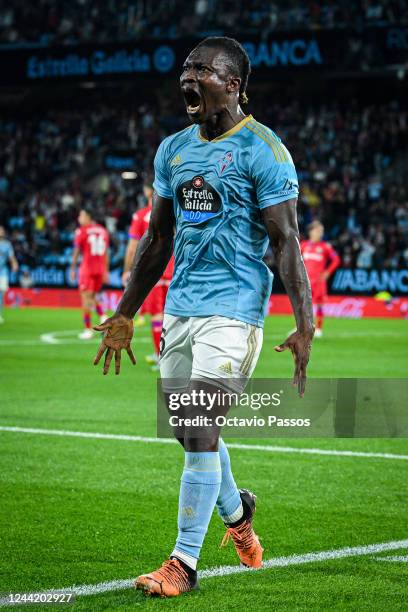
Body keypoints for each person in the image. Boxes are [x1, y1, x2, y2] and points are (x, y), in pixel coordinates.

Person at [93, 37, 314, 598]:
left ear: (234, 84)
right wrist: (124, 312)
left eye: (202, 71)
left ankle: (182, 564)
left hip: (235, 311)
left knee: (197, 427)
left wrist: (305, 321)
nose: (188, 79)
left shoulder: (265, 150)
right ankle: (238, 512)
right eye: (185, 70)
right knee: (189, 431)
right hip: (181, 309)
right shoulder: (172, 150)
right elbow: (158, 236)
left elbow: (286, 241)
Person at [122, 182, 174, 369]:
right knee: (175, 316)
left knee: (156, 316)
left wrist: (128, 270)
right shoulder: (176, 211)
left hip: (152, 270)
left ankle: (161, 357)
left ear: (148, 191)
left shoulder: (141, 215)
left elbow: (132, 247)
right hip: (174, 270)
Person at [70, 208, 109, 340]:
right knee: (92, 296)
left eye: (81, 216)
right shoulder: (103, 231)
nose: (79, 219)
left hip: (87, 268)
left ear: (88, 217)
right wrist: (106, 270)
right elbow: (106, 253)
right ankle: (104, 317)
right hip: (99, 269)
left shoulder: (82, 231)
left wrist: (73, 268)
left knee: (85, 298)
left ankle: (88, 330)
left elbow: (76, 251)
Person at [301, 221, 340, 337]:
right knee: (301, 304)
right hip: (305, 280)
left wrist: (328, 272)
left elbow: (336, 260)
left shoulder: (325, 247)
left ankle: (318, 329)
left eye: (321, 231)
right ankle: (299, 327)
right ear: (311, 231)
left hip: (319, 281)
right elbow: (296, 260)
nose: (320, 233)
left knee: (319, 304)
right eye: (318, 231)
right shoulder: (303, 245)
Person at [0, 226, 19, 323]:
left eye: (2, 230)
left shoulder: (7, 245)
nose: (1, 231)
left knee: (1, 292)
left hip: (2, 271)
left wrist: (14, 264)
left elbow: (11, 257)